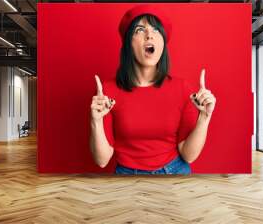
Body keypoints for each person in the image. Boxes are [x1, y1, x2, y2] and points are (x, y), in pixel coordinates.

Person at [89, 5, 216, 175]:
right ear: (128, 43)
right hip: (127, 178)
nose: (149, 34)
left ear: (162, 43)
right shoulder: (108, 91)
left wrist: (205, 118)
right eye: (140, 30)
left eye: (156, 30)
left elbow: (189, 155)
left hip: (174, 172)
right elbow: (102, 160)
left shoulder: (183, 88)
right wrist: (95, 121)